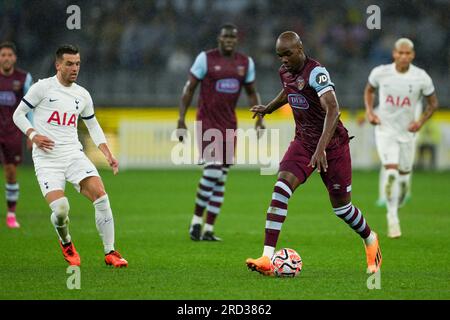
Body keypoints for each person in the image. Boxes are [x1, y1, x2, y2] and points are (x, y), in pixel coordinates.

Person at [246, 31, 382, 276]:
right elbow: (289, 92)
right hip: (303, 142)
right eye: (279, 56)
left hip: (333, 146)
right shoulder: (284, 72)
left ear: (300, 48)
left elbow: (333, 110)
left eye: (287, 54)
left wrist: (321, 148)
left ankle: (370, 238)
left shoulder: (316, 73)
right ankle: (267, 258)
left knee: (342, 209)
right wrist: (268, 108)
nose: (283, 60)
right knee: (281, 187)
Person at [12, 45, 128, 267]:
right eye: (69, 64)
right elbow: (18, 114)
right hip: (47, 158)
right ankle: (66, 241)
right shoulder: (42, 88)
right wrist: (33, 135)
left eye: (77, 64)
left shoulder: (82, 94)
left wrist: (107, 153)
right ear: (58, 65)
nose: (75, 68)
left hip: (73, 154)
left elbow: (93, 126)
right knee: (61, 209)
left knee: (102, 196)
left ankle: (110, 252)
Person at [177, 23, 264, 241]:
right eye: (225, 36)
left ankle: (208, 229)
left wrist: (259, 118)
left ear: (237, 40)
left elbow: (252, 93)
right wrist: (181, 119)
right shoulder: (205, 59)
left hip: (229, 124)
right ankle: (195, 222)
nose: (229, 40)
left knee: (222, 177)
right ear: (219, 38)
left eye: (233, 37)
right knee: (213, 171)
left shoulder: (245, 63)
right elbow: (189, 89)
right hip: (207, 122)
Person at [364, 38, 438, 238]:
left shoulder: (421, 77)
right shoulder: (380, 72)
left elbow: (433, 103)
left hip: (407, 134)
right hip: (385, 131)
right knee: (391, 173)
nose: (404, 56)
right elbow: (369, 90)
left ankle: (399, 200)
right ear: (394, 54)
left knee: (404, 180)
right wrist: (370, 112)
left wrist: (420, 122)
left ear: (412, 55)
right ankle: (392, 217)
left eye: (408, 53)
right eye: (400, 53)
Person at [0, 41, 33, 228]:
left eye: (9, 55)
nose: (6, 58)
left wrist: (31, 132)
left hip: (13, 132)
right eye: (3, 55)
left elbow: (30, 107)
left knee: (11, 173)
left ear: (14, 58)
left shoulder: (23, 78)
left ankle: (11, 214)